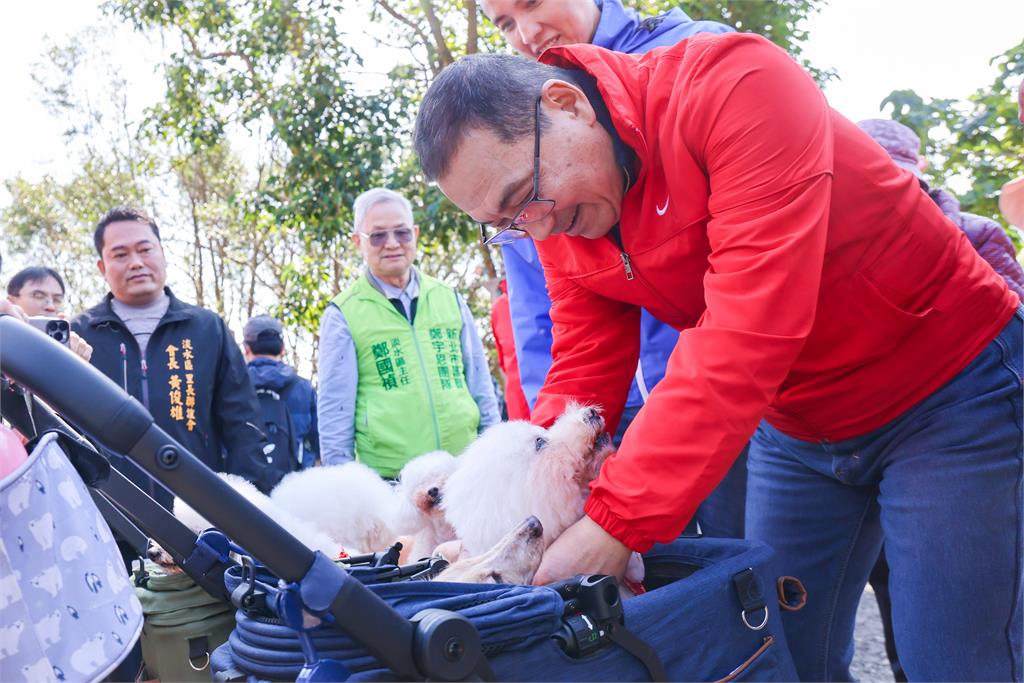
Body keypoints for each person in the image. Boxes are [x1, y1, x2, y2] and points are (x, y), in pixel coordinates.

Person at [413, 36, 1022, 682]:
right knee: (769, 651)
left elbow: (746, 333)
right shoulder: (562, 217)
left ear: (566, 104)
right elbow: (584, 373)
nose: (536, 229)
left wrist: (615, 524)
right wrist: (514, 520)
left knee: (954, 661)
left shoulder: (737, 87)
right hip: (799, 425)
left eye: (525, 195)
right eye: (508, 222)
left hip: (946, 390)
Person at [481, 0, 745, 538]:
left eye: (531, 3)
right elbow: (539, 315)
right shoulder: (508, 145)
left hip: (728, 394)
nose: (526, 32)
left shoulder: (697, 59)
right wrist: (550, 443)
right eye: (503, 23)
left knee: (751, 572)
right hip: (608, 412)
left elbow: (753, 284)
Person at [72, 207, 271, 506]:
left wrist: (251, 503)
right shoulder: (79, 334)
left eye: (144, 249)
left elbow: (242, 423)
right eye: (120, 254)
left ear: (163, 254)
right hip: (108, 517)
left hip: (198, 516)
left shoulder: (207, 328)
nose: (136, 263)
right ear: (102, 267)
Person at [317, 188, 501, 478]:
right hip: (393, 482)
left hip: (465, 472)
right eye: (377, 236)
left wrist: (493, 453)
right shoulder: (343, 313)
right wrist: (345, 486)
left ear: (415, 233)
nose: (392, 244)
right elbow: (334, 411)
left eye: (401, 232)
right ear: (357, 242)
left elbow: (479, 384)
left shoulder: (447, 297)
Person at [858, 118, 1024, 298]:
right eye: (870, 187)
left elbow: (1015, 315)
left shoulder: (980, 234)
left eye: (897, 182)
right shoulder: (843, 252)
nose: (888, 196)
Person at [243, 314, 320, 472]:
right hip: (295, 487)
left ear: (246, 348)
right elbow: (321, 443)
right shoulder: (303, 388)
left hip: (243, 487)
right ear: (283, 348)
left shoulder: (232, 388)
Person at [489, 279, 530, 420]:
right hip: (526, 396)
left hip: (518, 398)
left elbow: (502, 360)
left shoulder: (497, 308)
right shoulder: (539, 291)